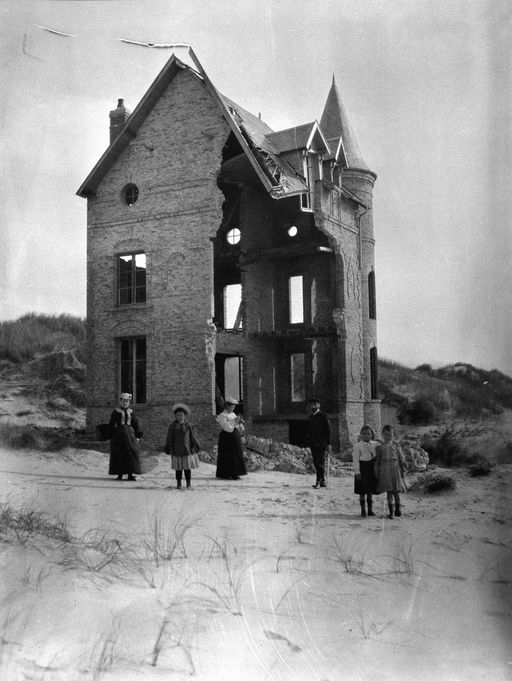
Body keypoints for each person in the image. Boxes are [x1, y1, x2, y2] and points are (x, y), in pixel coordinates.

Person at [164, 403, 200, 489]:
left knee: (187, 468)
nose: (180, 417)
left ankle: (188, 484)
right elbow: (169, 438)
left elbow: (193, 437)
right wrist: (168, 448)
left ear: (184, 416)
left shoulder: (189, 426)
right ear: (175, 416)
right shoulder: (172, 426)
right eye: (178, 415)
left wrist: (194, 447)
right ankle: (179, 484)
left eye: (181, 415)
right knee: (178, 469)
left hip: (186, 450)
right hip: (176, 450)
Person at [374, 424, 407, 518]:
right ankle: (391, 512)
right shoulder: (380, 447)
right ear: (383, 435)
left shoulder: (396, 445)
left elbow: (401, 457)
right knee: (389, 491)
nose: (388, 437)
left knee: (396, 491)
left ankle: (398, 510)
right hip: (385, 469)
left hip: (395, 468)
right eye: (386, 434)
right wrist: (376, 471)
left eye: (390, 434)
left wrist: (403, 467)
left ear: (393, 435)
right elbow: (377, 460)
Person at [108, 392, 142, 481]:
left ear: (129, 402)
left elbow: (135, 424)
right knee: (120, 453)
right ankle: (120, 475)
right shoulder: (116, 411)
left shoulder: (131, 412)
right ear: (120, 401)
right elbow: (111, 424)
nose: (125, 402)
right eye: (123, 401)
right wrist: (111, 435)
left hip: (130, 435)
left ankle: (130, 475)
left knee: (130, 453)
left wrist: (137, 435)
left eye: (127, 401)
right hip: (119, 434)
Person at [215, 398, 247, 480]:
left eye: (234, 406)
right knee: (229, 454)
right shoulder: (222, 415)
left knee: (237, 453)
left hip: (235, 436)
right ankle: (227, 473)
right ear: (227, 406)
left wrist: (240, 423)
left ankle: (237, 472)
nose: (233, 408)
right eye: (232, 406)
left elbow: (239, 426)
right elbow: (227, 428)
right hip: (227, 437)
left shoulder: (233, 414)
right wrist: (234, 421)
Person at [352, 425, 379, 517]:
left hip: (371, 467)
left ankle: (370, 510)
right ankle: (363, 509)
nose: (366, 436)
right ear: (361, 435)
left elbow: (380, 447)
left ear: (371, 435)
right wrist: (357, 472)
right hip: (362, 467)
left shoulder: (375, 444)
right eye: (364, 434)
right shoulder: (357, 446)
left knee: (370, 490)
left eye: (368, 434)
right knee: (362, 491)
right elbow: (355, 460)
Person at [307, 397, 331, 489]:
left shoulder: (323, 416)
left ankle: (318, 480)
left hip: (321, 443)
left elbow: (328, 430)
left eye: (315, 404)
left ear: (319, 405)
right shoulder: (310, 417)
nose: (313, 406)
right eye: (311, 404)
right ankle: (323, 481)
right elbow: (309, 430)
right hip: (313, 444)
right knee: (317, 463)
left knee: (319, 463)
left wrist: (328, 443)